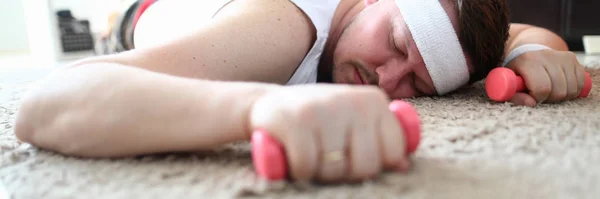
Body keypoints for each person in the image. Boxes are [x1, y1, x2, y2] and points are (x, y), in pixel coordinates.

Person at [14, 0, 587, 183]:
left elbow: (521, 33)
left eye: (418, 84)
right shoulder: (285, 28)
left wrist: (532, 54)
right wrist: (260, 105)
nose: (388, 84)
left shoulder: (428, 25)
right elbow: (47, 104)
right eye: (393, 43)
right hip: (155, 13)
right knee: (123, 26)